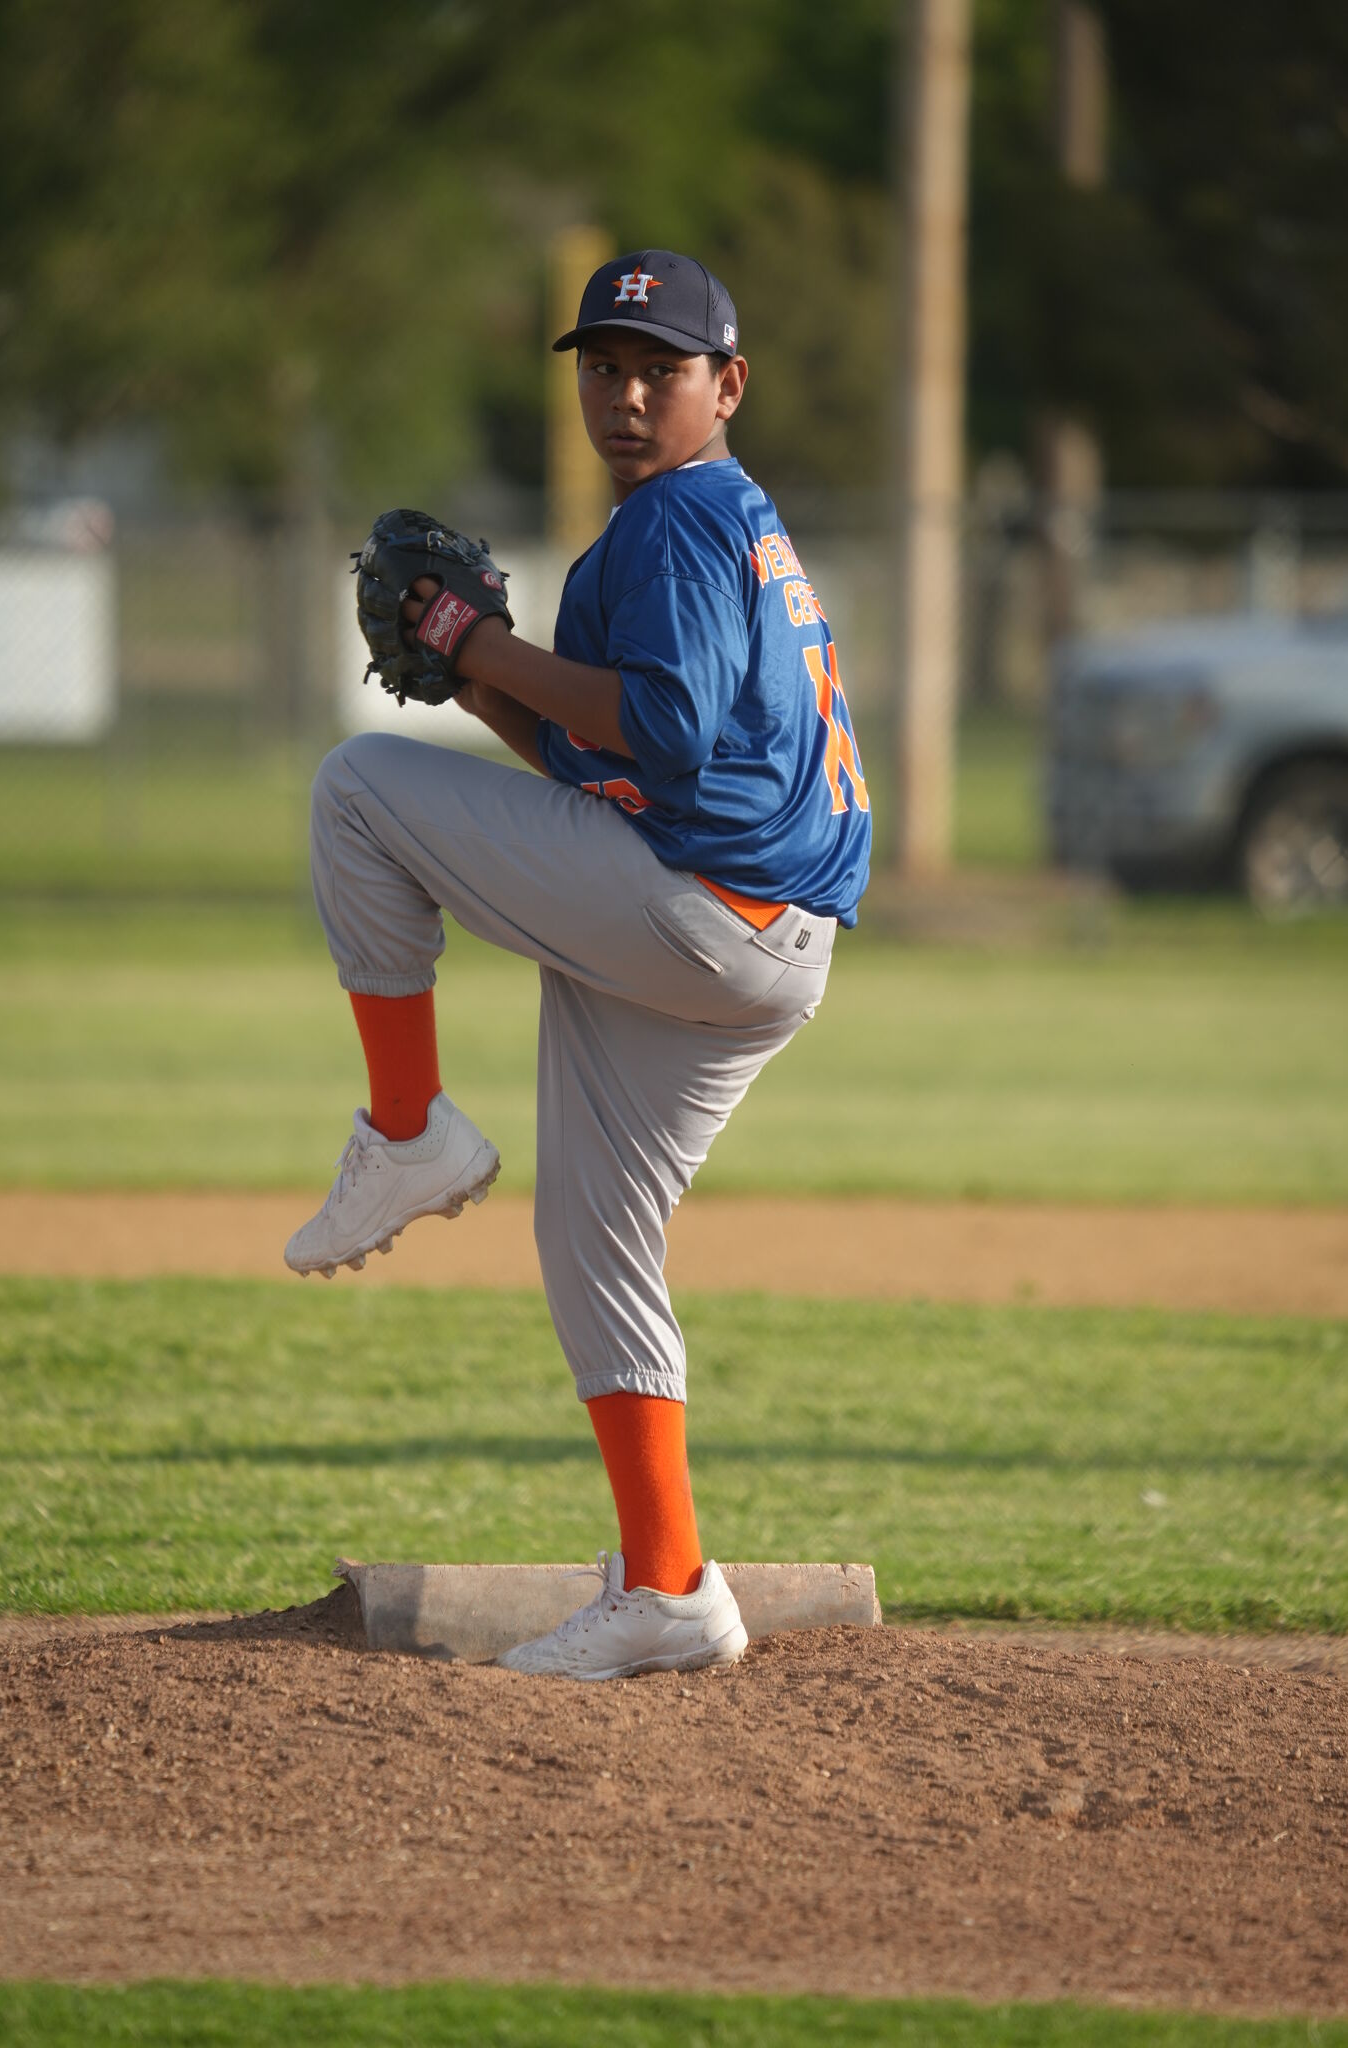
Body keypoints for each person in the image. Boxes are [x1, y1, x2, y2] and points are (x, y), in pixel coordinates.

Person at [288, 249, 871, 1678]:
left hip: (699, 909)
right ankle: (669, 1586)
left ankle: (409, 1129)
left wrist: (476, 634)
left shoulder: (678, 515)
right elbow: (595, 751)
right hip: (763, 939)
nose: (623, 394)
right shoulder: (726, 523)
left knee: (360, 790)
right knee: (593, 1238)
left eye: (658, 368)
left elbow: (658, 736)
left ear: (723, 386)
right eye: (601, 368)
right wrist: (477, 670)